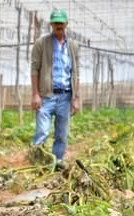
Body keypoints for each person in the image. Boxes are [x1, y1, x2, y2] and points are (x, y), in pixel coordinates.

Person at [30, 9, 80, 171]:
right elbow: (35, 69)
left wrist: (76, 98)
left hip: (65, 97)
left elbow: (75, 73)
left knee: (61, 135)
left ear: (66, 24)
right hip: (46, 96)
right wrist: (35, 94)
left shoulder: (72, 46)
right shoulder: (41, 43)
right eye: (55, 23)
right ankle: (37, 162)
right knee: (42, 131)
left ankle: (57, 162)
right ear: (51, 24)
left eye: (61, 22)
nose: (58, 25)